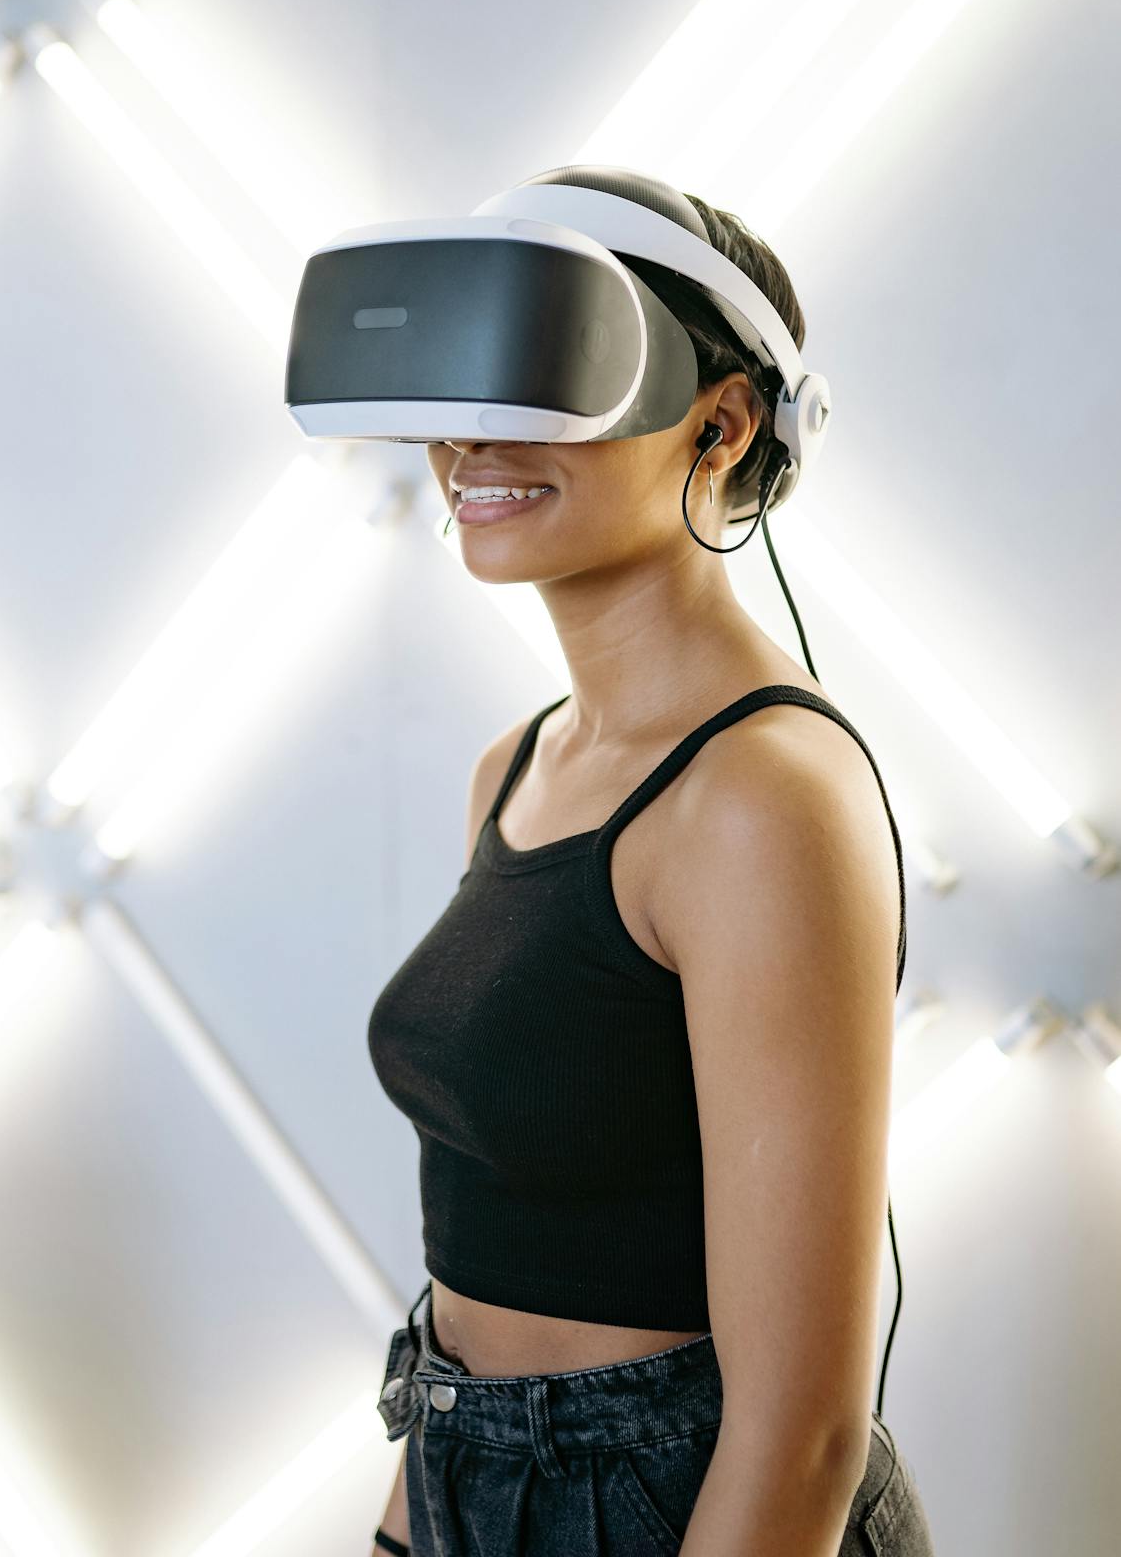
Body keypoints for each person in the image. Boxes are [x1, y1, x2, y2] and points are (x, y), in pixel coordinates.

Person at [366, 170, 935, 1554]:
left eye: (549, 372)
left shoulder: (759, 799)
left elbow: (801, 1431)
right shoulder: (511, 769)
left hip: (684, 1505)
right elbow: (473, 1243)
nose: (469, 438)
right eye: (464, 382)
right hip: (465, 1471)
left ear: (721, 425)